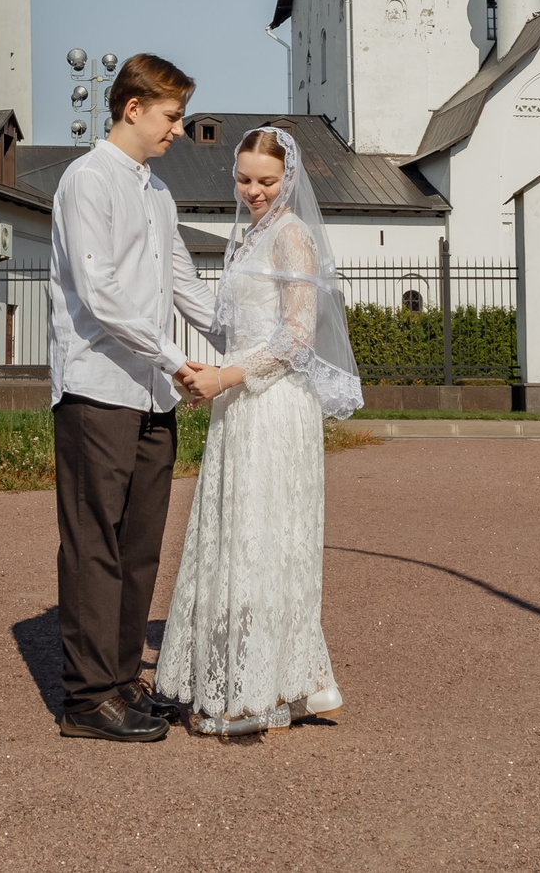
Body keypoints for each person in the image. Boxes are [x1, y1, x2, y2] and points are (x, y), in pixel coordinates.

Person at [156, 125, 362, 736]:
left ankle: (253, 697)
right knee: (245, 535)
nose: (254, 191)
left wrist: (226, 377)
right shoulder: (248, 237)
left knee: (264, 537)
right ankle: (299, 680)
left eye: (267, 181)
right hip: (240, 401)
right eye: (244, 179)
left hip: (273, 405)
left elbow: (297, 335)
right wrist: (206, 372)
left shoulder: (292, 235)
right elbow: (237, 325)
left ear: (289, 178)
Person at [45, 53, 224, 743]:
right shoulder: (87, 181)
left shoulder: (158, 193)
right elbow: (101, 294)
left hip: (152, 396)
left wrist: (249, 340)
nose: (179, 129)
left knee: (140, 545)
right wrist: (178, 361)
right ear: (133, 108)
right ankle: (87, 699)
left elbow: (185, 287)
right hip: (97, 389)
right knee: (95, 544)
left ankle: (121, 682)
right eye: (172, 116)